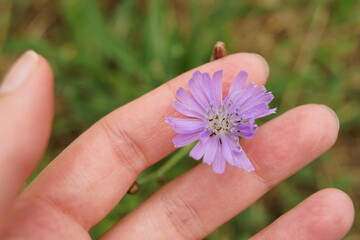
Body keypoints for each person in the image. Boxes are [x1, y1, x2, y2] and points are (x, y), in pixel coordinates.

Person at [0, 51, 354, 239]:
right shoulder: (200, 126)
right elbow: (199, 125)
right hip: (200, 127)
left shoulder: (230, 132)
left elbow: (244, 125)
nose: (222, 123)